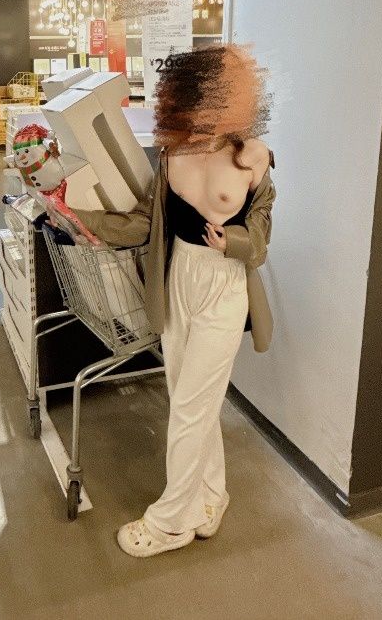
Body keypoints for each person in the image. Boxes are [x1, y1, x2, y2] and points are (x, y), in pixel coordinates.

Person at [71, 44, 276, 558]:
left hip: (224, 286)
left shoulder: (254, 156)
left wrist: (233, 242)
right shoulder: (173, 152)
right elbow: (147, 221)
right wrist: (81, 221)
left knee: (188, 407)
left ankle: (171, 523)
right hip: (177, 276)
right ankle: (212, 496)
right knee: (191, 398)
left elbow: (261, 238)